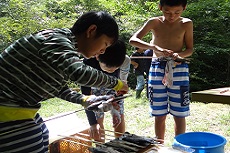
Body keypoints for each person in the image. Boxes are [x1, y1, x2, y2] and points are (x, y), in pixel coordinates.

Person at [0, 11, 129, 153]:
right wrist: (118, 84)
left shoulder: (62, 48)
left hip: (20, 110)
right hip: (7, 113)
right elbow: (79, 73)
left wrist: (88, 100)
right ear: (91, 31)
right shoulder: (56, 39)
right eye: (104, 44)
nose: (103, 51)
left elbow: (58, 88)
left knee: (42, 136)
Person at [129, 0, 193, 143]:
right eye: (167, 12)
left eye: (177, 12)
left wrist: (179, 55)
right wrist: (155, 48)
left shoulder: (186, 23)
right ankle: (159, 144)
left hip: (179, 68)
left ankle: (179, 145)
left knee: (179, 112)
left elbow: (189, 49)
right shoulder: (154, 22)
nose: (172, 16)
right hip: (157, 67)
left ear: (184, 8)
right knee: (159, 112)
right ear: (160, 8)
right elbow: (133, 40)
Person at [81, 40, 130, 143]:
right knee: (98, 122)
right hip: (94, 89)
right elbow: (86, 96)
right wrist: (93, 123)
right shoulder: (87, 63)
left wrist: (115, 109)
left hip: (115, 87)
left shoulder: (125, 60)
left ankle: (120, 145)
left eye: (116, 68)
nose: (112, 71)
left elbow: (122, 88)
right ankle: (101, 146)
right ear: (98, 57)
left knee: (119, 118)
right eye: (108, 69)